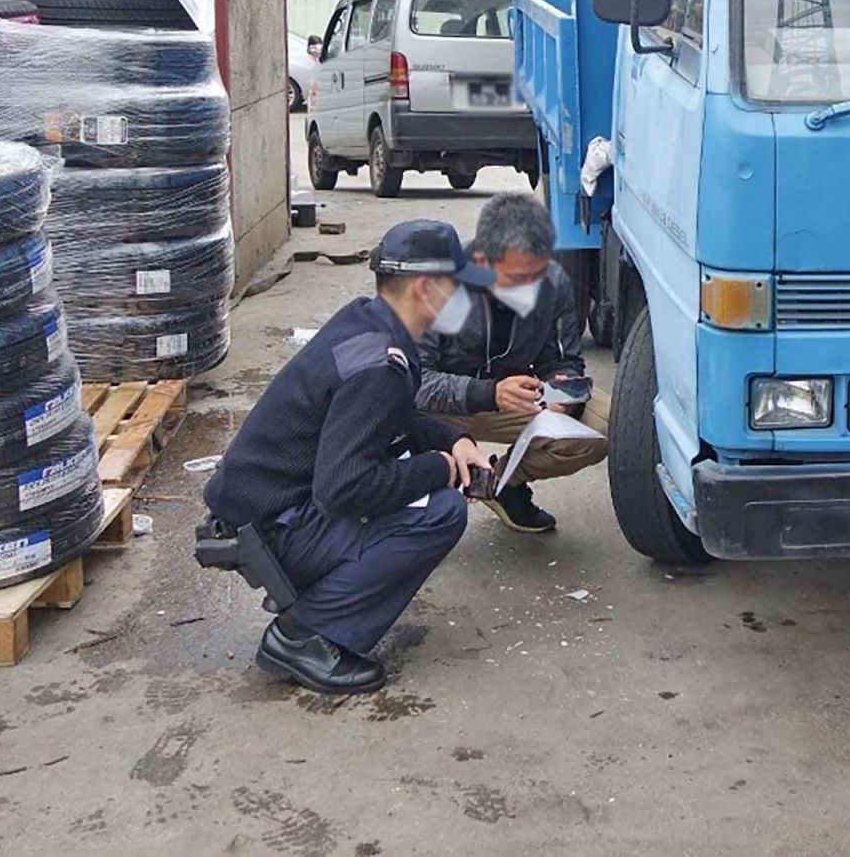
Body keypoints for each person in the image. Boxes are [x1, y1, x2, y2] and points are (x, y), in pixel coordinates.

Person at [202, 220, 495, 696]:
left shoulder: (370, 322)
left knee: (428, 488)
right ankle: (305, 635)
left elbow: (391, 418)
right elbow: (344, 489)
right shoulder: (379, 366)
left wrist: (451, 440)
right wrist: (440, 469)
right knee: (441, 511)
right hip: (276, 527)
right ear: (425, 288)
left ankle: (318, 613)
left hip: (265, 507)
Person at [414, 192, 606, 534]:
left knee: (602, 424)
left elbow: (563, 360)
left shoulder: (554, 283)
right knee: (377, 411)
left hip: (512, 400)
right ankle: (412, 497)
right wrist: (488, 393)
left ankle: (502, 485)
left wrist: (561, 394)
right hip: (439, 408)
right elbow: (412, 382)